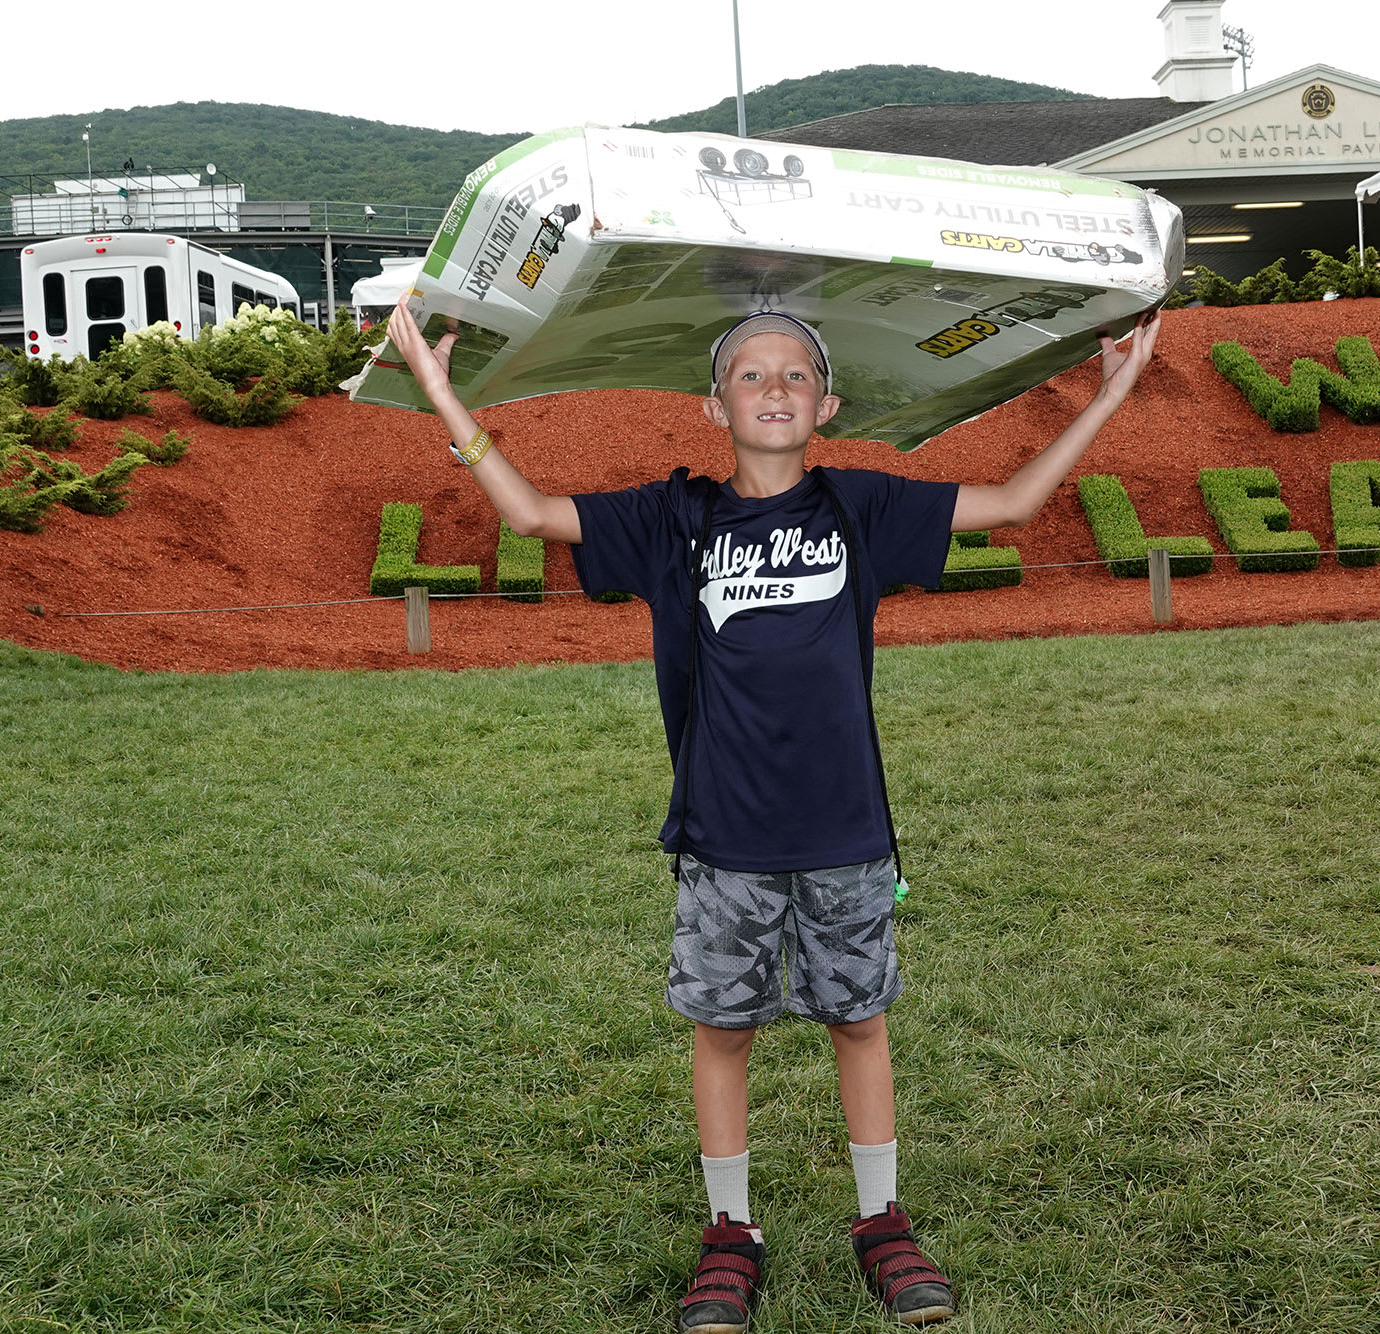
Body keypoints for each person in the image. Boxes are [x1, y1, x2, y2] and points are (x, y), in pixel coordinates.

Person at [386, 296, 1161, 1331]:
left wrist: (1110, 393)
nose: (774, 388)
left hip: (846, 828)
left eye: (796, 373)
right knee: (724, 1029)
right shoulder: (674, 518)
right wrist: (442, 395)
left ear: (826, 404)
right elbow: (529, 514)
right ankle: (729, 1233)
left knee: (858, 1019)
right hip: (726, 835)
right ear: (715, 407)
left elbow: (1017, 502)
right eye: (749, 374)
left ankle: (880, 1221)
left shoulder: (860, 506)